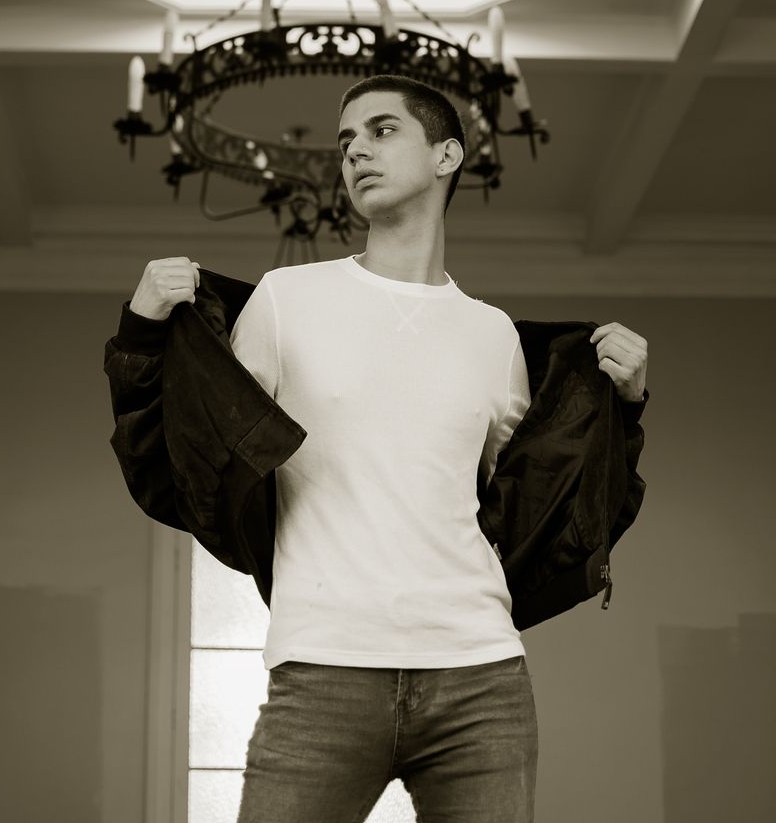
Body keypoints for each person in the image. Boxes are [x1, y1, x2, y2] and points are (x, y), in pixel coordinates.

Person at [114, 74, 649, 823]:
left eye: (382, 130)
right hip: (322, 670)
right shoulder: (284, 301)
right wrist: (141, 332)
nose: (355, 151)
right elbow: (187, 456)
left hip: (481, 678)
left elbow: (547, 499)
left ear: (447, 155)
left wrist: (624, 407)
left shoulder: (492, 334)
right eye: (345, 142)